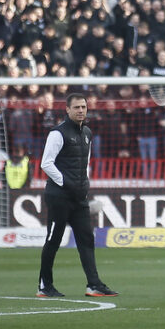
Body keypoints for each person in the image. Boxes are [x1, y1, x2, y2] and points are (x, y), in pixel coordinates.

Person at [37, 93, 117, 298]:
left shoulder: (87, 133)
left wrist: (85, 182)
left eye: (83, 107)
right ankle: (44, 286)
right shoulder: (57, 133)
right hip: (59, 196)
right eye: (76, 107)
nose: (81, 110)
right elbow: (46, 163)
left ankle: (94, 284)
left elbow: (85, 162)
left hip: (78, 197)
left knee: (86, 239)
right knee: (53, 239)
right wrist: (67, 183)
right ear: (67, 109)